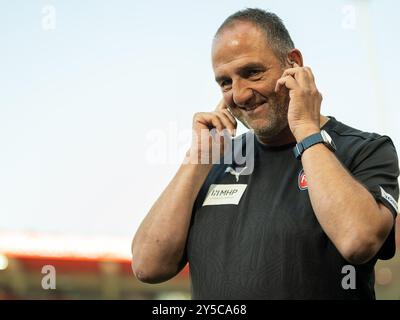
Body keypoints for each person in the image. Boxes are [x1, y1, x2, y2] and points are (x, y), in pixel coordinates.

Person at [131, 8, 399, 299]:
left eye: (252, 73)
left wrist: (307, 130)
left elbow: (357, 240)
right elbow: (148, 266)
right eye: (225, 82)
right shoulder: (215, 161)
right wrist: (196, 161)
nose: (240, 94)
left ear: (293, 63)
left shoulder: (364, 149)